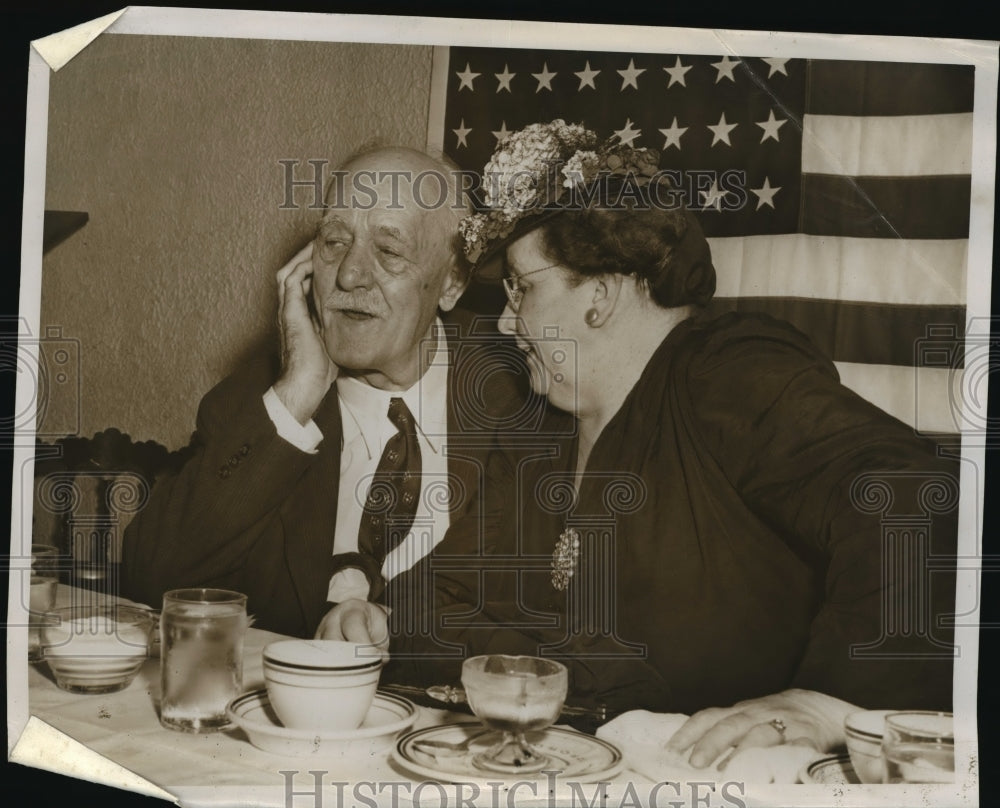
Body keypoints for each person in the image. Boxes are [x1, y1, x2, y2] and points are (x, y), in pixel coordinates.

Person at [321, 122, 958, 765]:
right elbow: (447, 595)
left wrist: (830, 703)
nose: (508, 320)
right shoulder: (545, 429)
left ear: (599, 292)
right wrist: (378, 621)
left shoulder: (724, 370)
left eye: (522, 287)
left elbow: (913, 498)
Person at [121, 146, 527, 639]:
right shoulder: (262, 400)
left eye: (389, 250)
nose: (350, 275)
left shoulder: (525, 395)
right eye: (334, 242)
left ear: (453, 282)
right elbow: (151, 580)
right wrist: (299, 392)